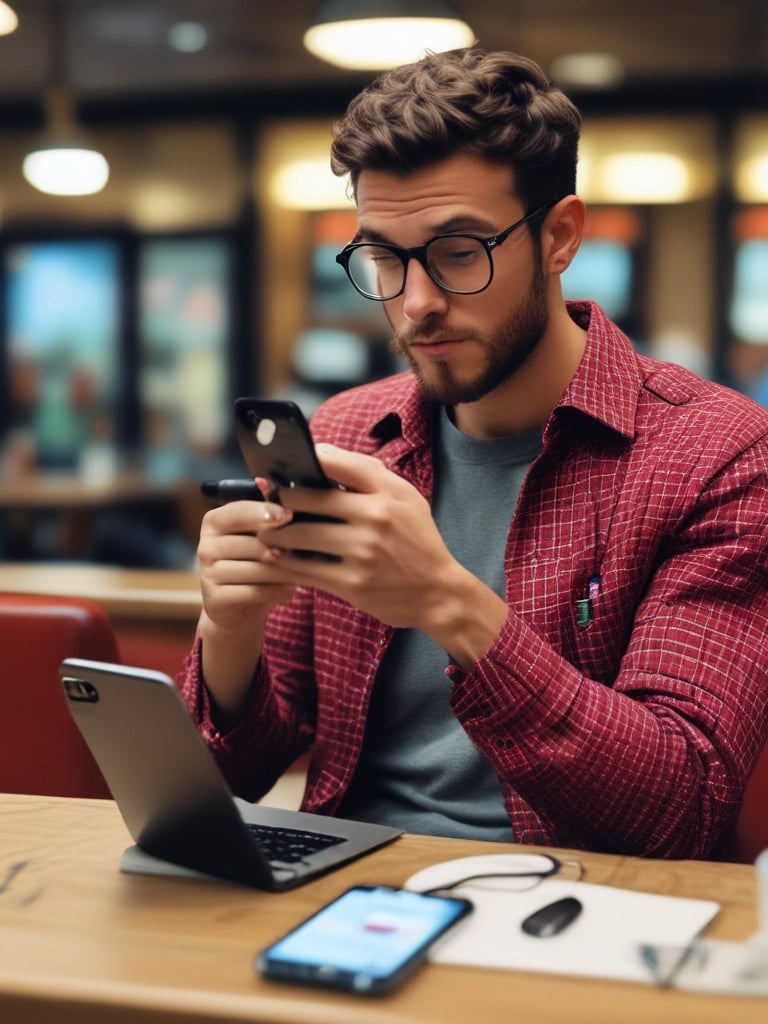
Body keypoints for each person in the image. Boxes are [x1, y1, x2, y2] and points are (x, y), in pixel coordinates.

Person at [179, 48, 768, 858]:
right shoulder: (351, 433)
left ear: (560, 237)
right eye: (383, 257)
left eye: (460, 252)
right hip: (339, 883)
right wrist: (230, 632)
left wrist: (450, 604)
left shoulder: (717, 455)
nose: (417, 304)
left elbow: (680, 808)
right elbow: (236, 774)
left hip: (570, 903)